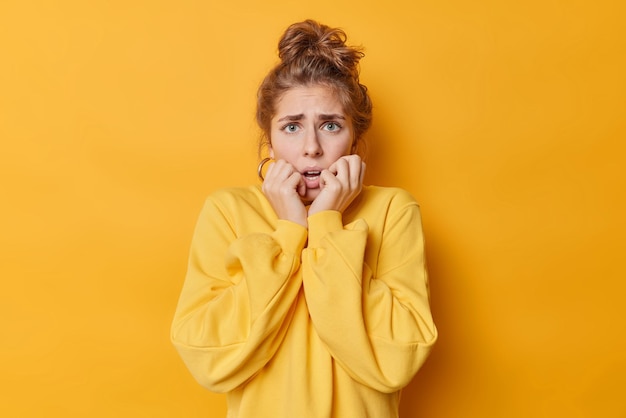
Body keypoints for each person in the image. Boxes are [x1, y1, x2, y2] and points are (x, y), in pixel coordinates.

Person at [171, 19, 437, 418]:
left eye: (330, 125)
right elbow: (207, 355)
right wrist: (290, 232)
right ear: (270, 140)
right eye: (292, 127)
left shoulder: (393, 211)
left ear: (355, 141)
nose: (311, 148)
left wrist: (327, 222)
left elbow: (395, 360)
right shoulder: (228, 211)